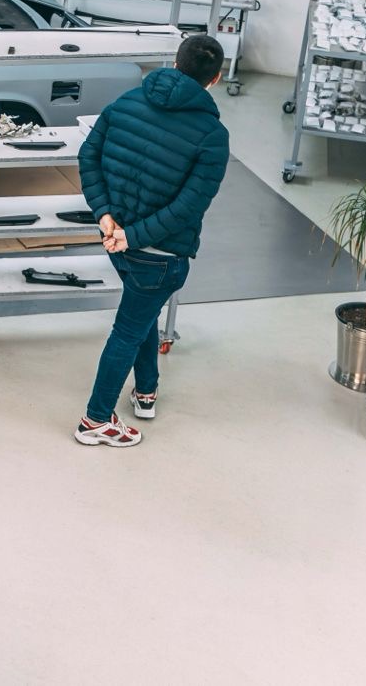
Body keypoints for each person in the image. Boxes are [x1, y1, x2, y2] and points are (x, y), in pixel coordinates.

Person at [74, 34, 230, 448]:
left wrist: (106, 216)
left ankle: (146, 391)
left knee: (141, 312)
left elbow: (87, 155)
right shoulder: (212, 136)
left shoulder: (125, 102)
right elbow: (188, 208)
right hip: (158, 255)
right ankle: (95, 421)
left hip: (116, 242)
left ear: (176, 64)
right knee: (128, 329)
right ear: (215, 79)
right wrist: (132, 237)